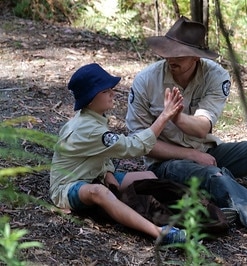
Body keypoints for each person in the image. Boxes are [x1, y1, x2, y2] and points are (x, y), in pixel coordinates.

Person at [125, 16, 247, 243]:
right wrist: (191, 154)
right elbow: (140, 142)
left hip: (208, 152)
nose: (171, 58)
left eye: (179, 53)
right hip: (167, 164)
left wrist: (176, 118)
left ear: (196, 56)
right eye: (168, 52)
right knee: (214, 175)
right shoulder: (146, 81)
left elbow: (202, 127)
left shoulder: (215, 76)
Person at [49, 63, 186, 245]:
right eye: (106, 91)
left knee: (148, 176)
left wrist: (108, 172)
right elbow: (133, 147)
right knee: (100, 192)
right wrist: (164, 116)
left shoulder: (92, 119)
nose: (113, 94)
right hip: (68, 187)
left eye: (111, 89)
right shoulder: (89, 128)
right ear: (90, 99)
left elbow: (97, 153)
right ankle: (159, 232)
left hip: (92, 176)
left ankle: (182, 215)